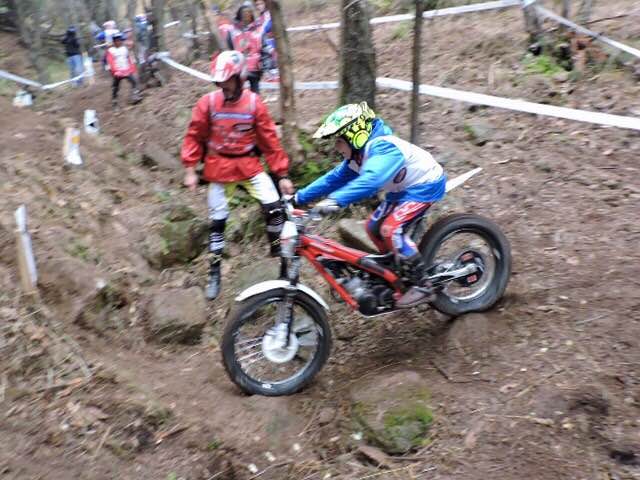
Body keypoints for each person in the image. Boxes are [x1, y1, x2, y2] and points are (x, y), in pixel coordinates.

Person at [294, 102, 447, 308]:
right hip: (401, 190)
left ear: (354, 135)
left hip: (425, 184)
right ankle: (395, 271)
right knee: (372, 227)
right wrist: (298, 198)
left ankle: (423, 286)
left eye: (339, 141)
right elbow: (332, 179)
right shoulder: (358, 157)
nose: (336, 147)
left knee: (390, 229)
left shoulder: (384, 147)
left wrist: (335, 200)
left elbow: (371, 180)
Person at [181, 51, 295, 300]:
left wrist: (282, 174)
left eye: (228, 81)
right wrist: (190, 168)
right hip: (219, 166)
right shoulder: (208, 103)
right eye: (220, 81)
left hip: (248, 164)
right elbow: (194, 135)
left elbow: (269, 141)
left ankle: (279, 254)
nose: (223, 86)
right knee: (217, 220)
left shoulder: (254, 104)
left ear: (240, 78)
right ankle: (214, 271)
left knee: (275, 207)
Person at [225, 2, 264, 93]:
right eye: (244, 13)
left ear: (251, 15)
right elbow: (229, 49)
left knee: (255, 94)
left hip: (255, 67)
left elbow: (264, 47)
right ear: (239, 15)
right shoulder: (232, 30)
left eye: (248, 13)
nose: (246, 16)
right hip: (239, 67)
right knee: (238, 92)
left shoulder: (259, 29)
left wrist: (266, 65)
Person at [105, 32, 141, 108]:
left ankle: (135, 96)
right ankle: (114, 101)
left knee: (134, 82)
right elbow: (110, 62)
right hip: (117, 71)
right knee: (115, 87)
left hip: (126, 70)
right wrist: (114, 71)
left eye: (119, 40)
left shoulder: (125, 49)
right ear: (114, 41)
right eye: (116, 40)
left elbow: (129, 59)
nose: (118, 42)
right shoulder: (111, 50)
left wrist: (132, 69)